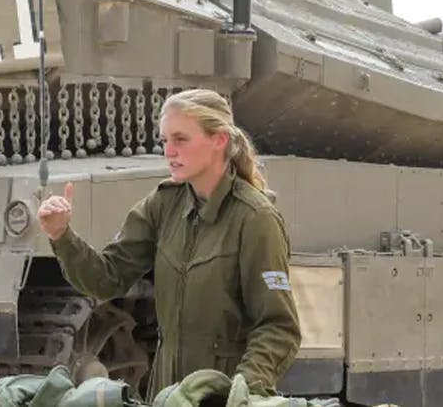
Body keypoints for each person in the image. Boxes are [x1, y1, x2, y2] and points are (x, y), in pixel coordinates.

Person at [37, 89, 301, 400]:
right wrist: (61, 235)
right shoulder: (164, 205)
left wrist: (243, 390)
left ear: (219, 140)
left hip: (218, 397)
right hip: (166, 394)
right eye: (165, 141)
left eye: (180, 139)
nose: (169, 151)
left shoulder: (255, 219)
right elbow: (107, 279)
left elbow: (278, 327)